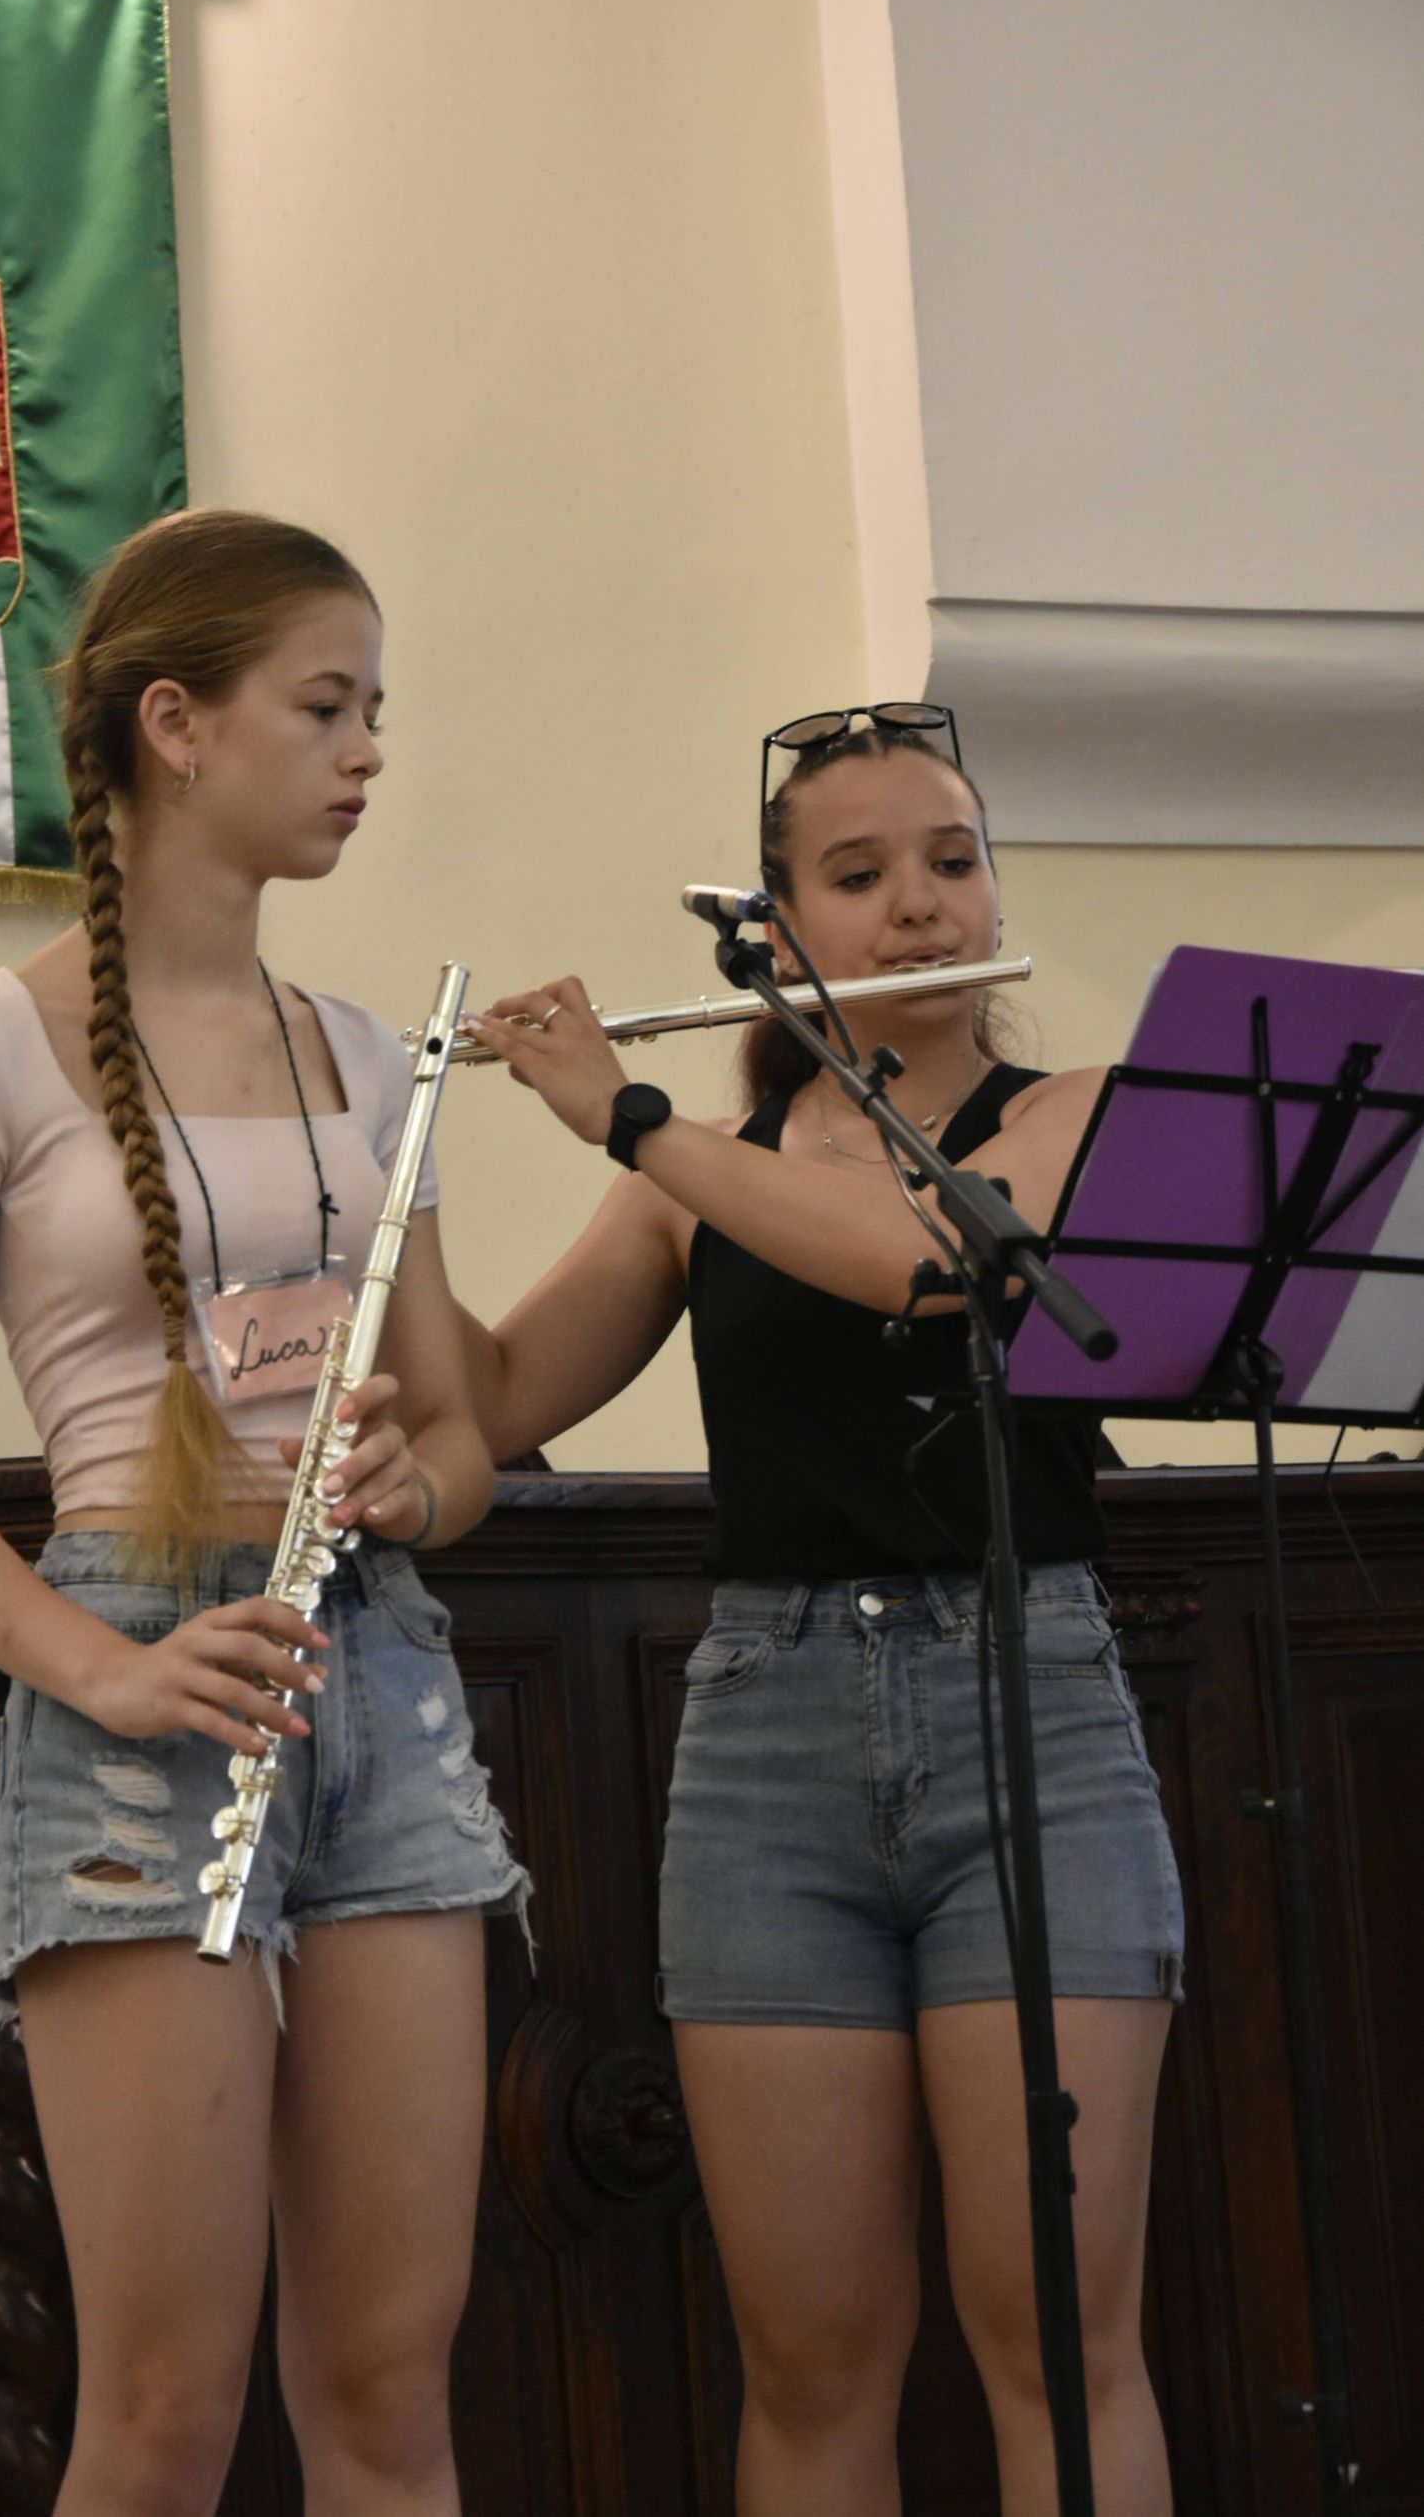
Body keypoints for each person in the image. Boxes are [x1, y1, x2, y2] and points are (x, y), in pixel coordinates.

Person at [0, 509, 527, 2517]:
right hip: (140, 1672)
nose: (367, 751)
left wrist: (419, 1478)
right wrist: (106, 1673)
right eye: (325, 706)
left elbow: (465, 1432)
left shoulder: (368, 1055)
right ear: (176, 722)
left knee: (390, 2388)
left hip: (377, 1670)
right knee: (158, 2413)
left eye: (376, 710)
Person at [458, 708, 1182, 2516]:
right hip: (767, 1738)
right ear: (776, 935)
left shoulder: (1073, 1112)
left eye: (953, 859)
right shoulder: (706, 1173)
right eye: (860, 875)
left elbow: (936, 1259)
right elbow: (493, 1399)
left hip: (1035, 1705)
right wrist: (371, 1172)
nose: (922, 904)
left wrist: (628, 1118)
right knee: (810, 2362)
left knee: (1060, 2344)